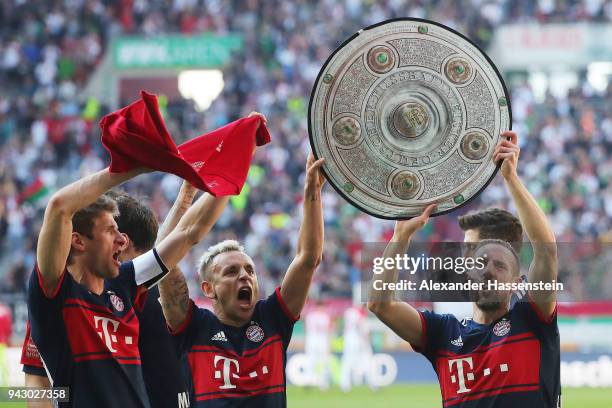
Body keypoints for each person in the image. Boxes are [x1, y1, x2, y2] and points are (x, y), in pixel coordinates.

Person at [27, 128, 247, 408]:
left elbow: (189, 233)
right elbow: (59, 206)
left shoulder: (126, 284)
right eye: (110, 231)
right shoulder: (54, 299)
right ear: (78, 241)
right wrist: (135, 167)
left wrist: (238, 158)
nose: (121, 240)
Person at [368, 131, 560, 407]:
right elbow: (379, 304)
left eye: (500, 266)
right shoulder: (443, 334)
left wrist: (511, 178)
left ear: (517, 282)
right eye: (479, 262)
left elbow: (546, 249)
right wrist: (400, 239)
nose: (488, 271)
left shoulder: (532, 319)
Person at [159, 152, 325, 407]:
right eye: (231, 272)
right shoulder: (193, 328)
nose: (244, 276)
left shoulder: (273, 319)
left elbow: (308, 258)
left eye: (249, 270)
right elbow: (163, 263)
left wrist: (312, 191)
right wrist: (185, 197)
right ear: (208, 288)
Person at [21, 185, 195, 408]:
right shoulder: (59, 303)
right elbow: (35, 382)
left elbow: (179, 239)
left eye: (116, 230)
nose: (117, 240)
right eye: (109, 230)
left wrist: (187, 195)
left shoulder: (146, 285)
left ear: (127, 241)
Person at [340, 304, 372, 392]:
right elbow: (362, 329)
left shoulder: (349, 312)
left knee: (347, 362)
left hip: (348, 339)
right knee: (365, 361)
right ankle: (369, 383)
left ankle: (345, 385)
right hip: (357, 340)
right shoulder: (360, 314)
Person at [304, 299, 333, 390]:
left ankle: (311, 381)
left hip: (312, 340)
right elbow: (329, 331)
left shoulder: (310, 316)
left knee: (313, 361)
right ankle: (322, 384)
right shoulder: (325, 317)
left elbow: (306, 329)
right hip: (320, 341)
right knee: (321, 362)